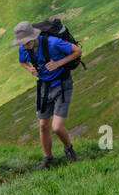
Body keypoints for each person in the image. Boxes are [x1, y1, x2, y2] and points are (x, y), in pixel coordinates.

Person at [12, 20, 81, 169]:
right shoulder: (24, 48)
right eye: (21, 43)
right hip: (43, 87)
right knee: (43, 125)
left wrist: (59, 63)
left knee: (56, 127)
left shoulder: (53, 43)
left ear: (34, 36)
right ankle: (47, 159)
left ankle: (69, 150)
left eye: (26, 42)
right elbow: (22, 62)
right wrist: (29, 69)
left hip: (62, 84)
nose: (24, 46)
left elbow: (77, 52)